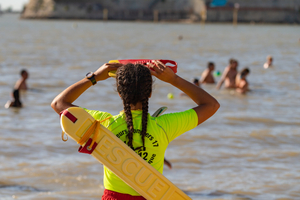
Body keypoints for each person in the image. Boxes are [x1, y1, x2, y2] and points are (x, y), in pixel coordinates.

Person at [51, 61, 220, 200]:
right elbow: (211, 105)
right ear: (150, 94)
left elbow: (59, 104)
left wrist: (94, 77)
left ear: (119, 93)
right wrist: (173, 79)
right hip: (152, 195)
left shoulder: (103, 123)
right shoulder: (165, 125)